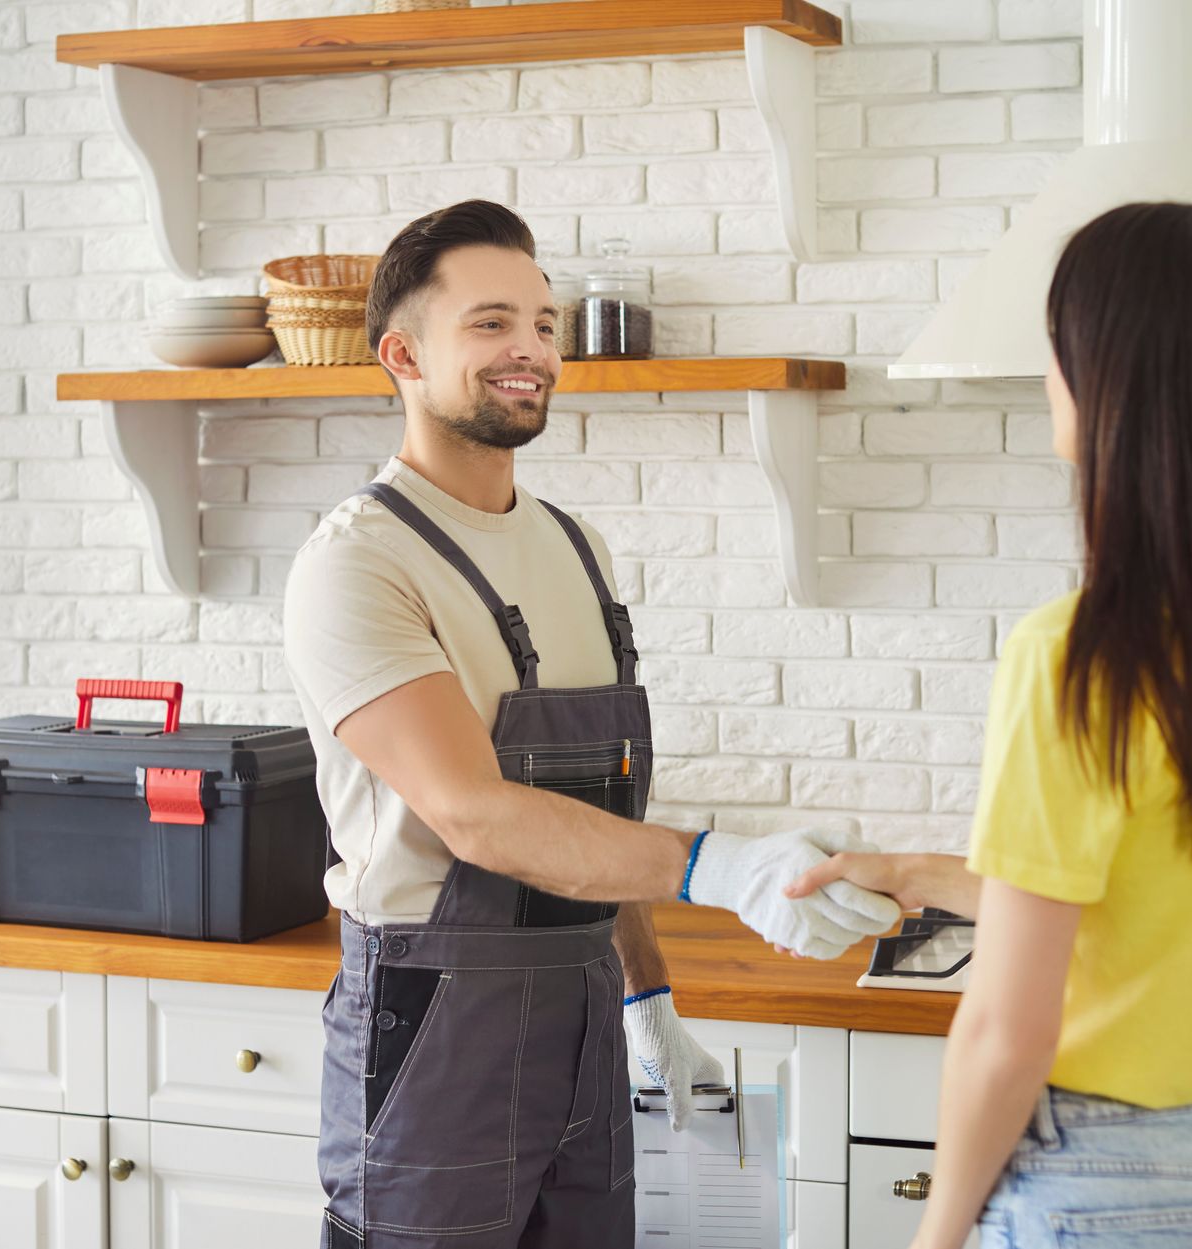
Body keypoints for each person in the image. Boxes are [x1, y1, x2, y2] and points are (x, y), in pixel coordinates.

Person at [282, 199, 900, 1249]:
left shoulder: (578, 549)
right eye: (490, 324)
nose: (531, 349)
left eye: (544, 322)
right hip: (437, 1023)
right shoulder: (359, 561)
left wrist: (646, 993)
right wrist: (719, 866)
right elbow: (477, 814)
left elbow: (578, 812)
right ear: (401, 353)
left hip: (583, 1009)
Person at [786, 202, 1192, 1249]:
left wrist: (936, 1233)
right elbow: (1164, 923)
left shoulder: (1078, 657)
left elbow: (1007, 1033)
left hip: (1111, 1189)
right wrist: (937, 876)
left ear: (1112, 379)